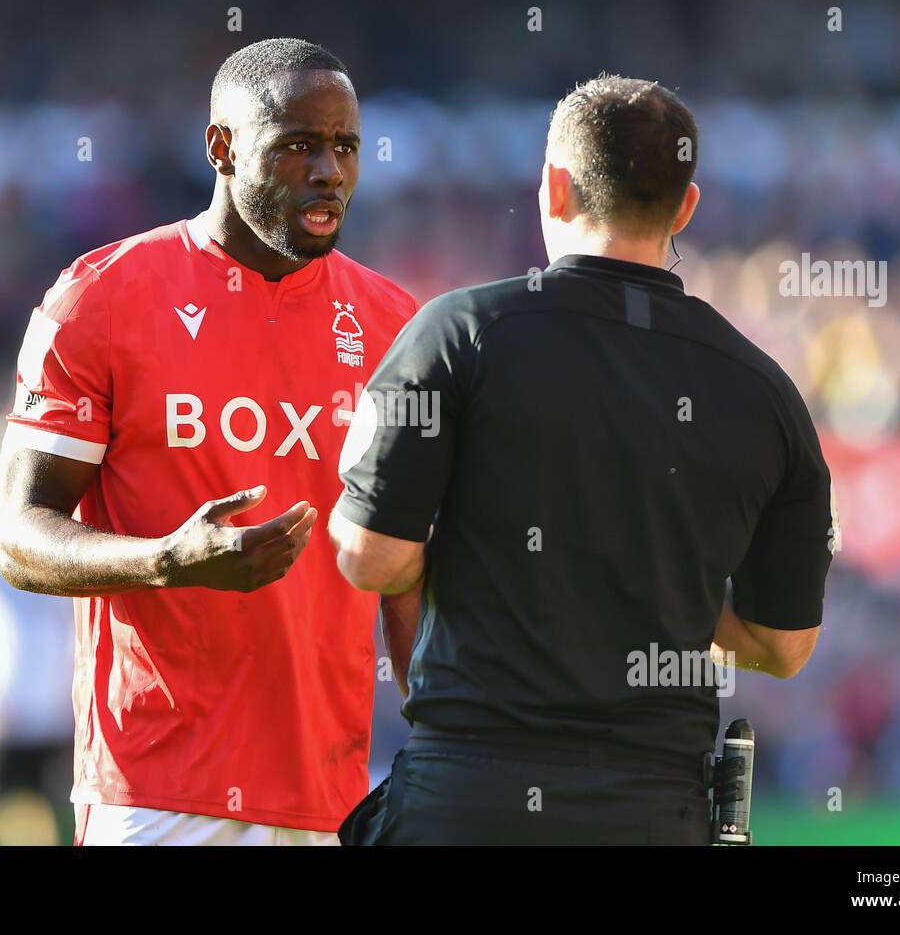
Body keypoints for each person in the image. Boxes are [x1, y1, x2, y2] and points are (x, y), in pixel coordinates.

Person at [329, 74, 836, 845]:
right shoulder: (767, 394)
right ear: (686, 208)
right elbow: (783, 645)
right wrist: (653, 597)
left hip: (470, 799)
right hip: (654, 808)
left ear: (554, 188)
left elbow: (372, 556)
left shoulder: (456, 335)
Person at [0, 38, 418, 846]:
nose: (329, 170)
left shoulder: (397, 326)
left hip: (329, 796)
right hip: (154, 792)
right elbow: (17, 537)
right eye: (298, 145)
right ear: (221, 147)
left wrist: (440, 747)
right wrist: (165, 561)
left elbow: (405, 570)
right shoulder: (102, 297)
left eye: (345, 146)